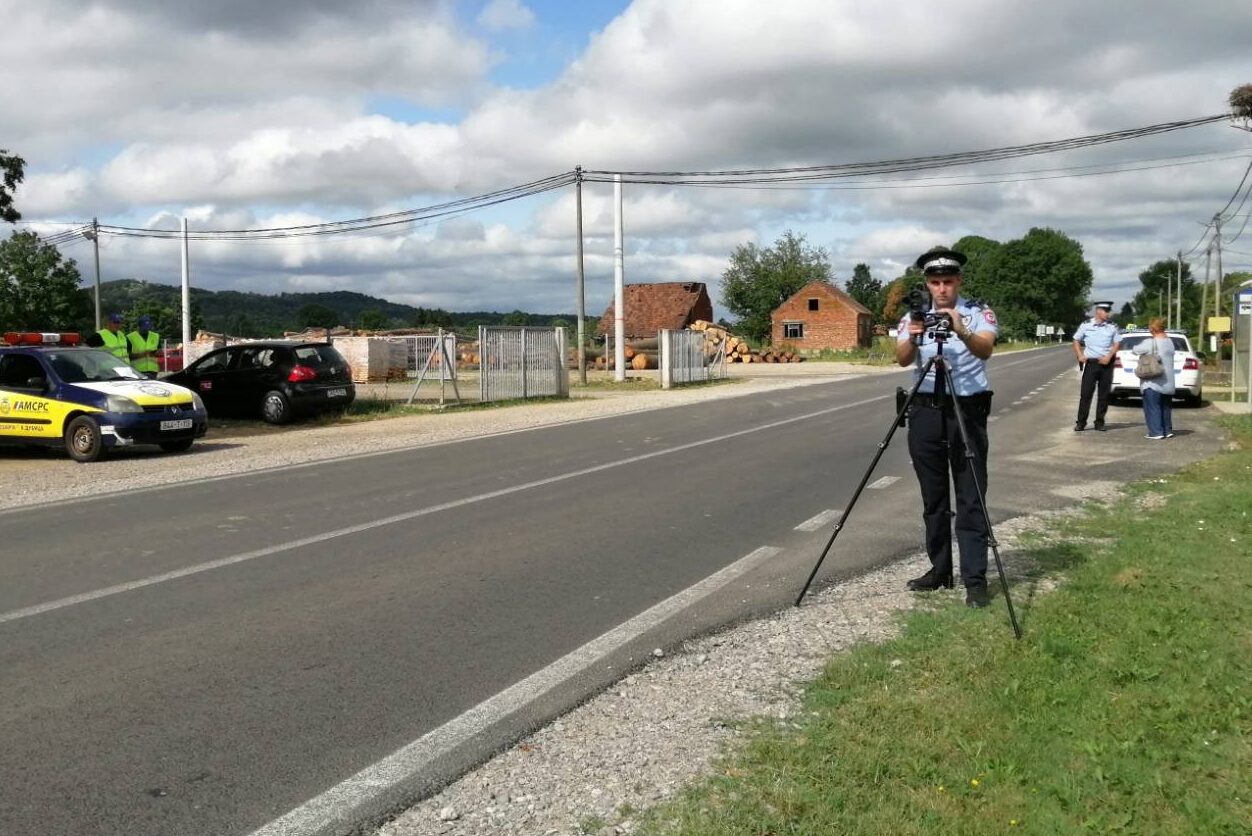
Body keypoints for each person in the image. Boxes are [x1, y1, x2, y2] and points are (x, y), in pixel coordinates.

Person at [895, 246, 998, 608]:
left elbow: (986, 349)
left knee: (970, 496)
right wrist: (914, 334)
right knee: (933, 497)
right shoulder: (915, 315)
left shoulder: (976, 312)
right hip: (925, 409)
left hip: (966, 410)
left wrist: (962, 329)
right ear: (927, 282)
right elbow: (901, 358)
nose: (942, 289)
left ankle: (975, 579)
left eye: (948, 281)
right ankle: (940, 569)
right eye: (935, 282)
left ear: (959, 282)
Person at [1072, 301, 1121, 431]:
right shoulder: (1086, 325)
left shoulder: (1112, 326)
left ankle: (1099, 422)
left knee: (1104, 395)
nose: (1108, 313)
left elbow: (1117, 343)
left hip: (1106, 364)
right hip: (1091, 364)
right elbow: (1076, 340)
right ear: (1098, 311)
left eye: (1108, 311)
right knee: (1086, 394)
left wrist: (1109, 356)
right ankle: (1081, 422)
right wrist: (1079, 355)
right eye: (1106, 311)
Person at [1134, 317, 1175, 440]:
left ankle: (1156, 432)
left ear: (1152, 329)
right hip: (1168, 381)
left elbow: (1135, 350)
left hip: (1153, 381)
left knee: (1152, 407)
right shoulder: (1170, 342)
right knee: (1165, 406)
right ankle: (1167, 430)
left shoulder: (1150, 342)